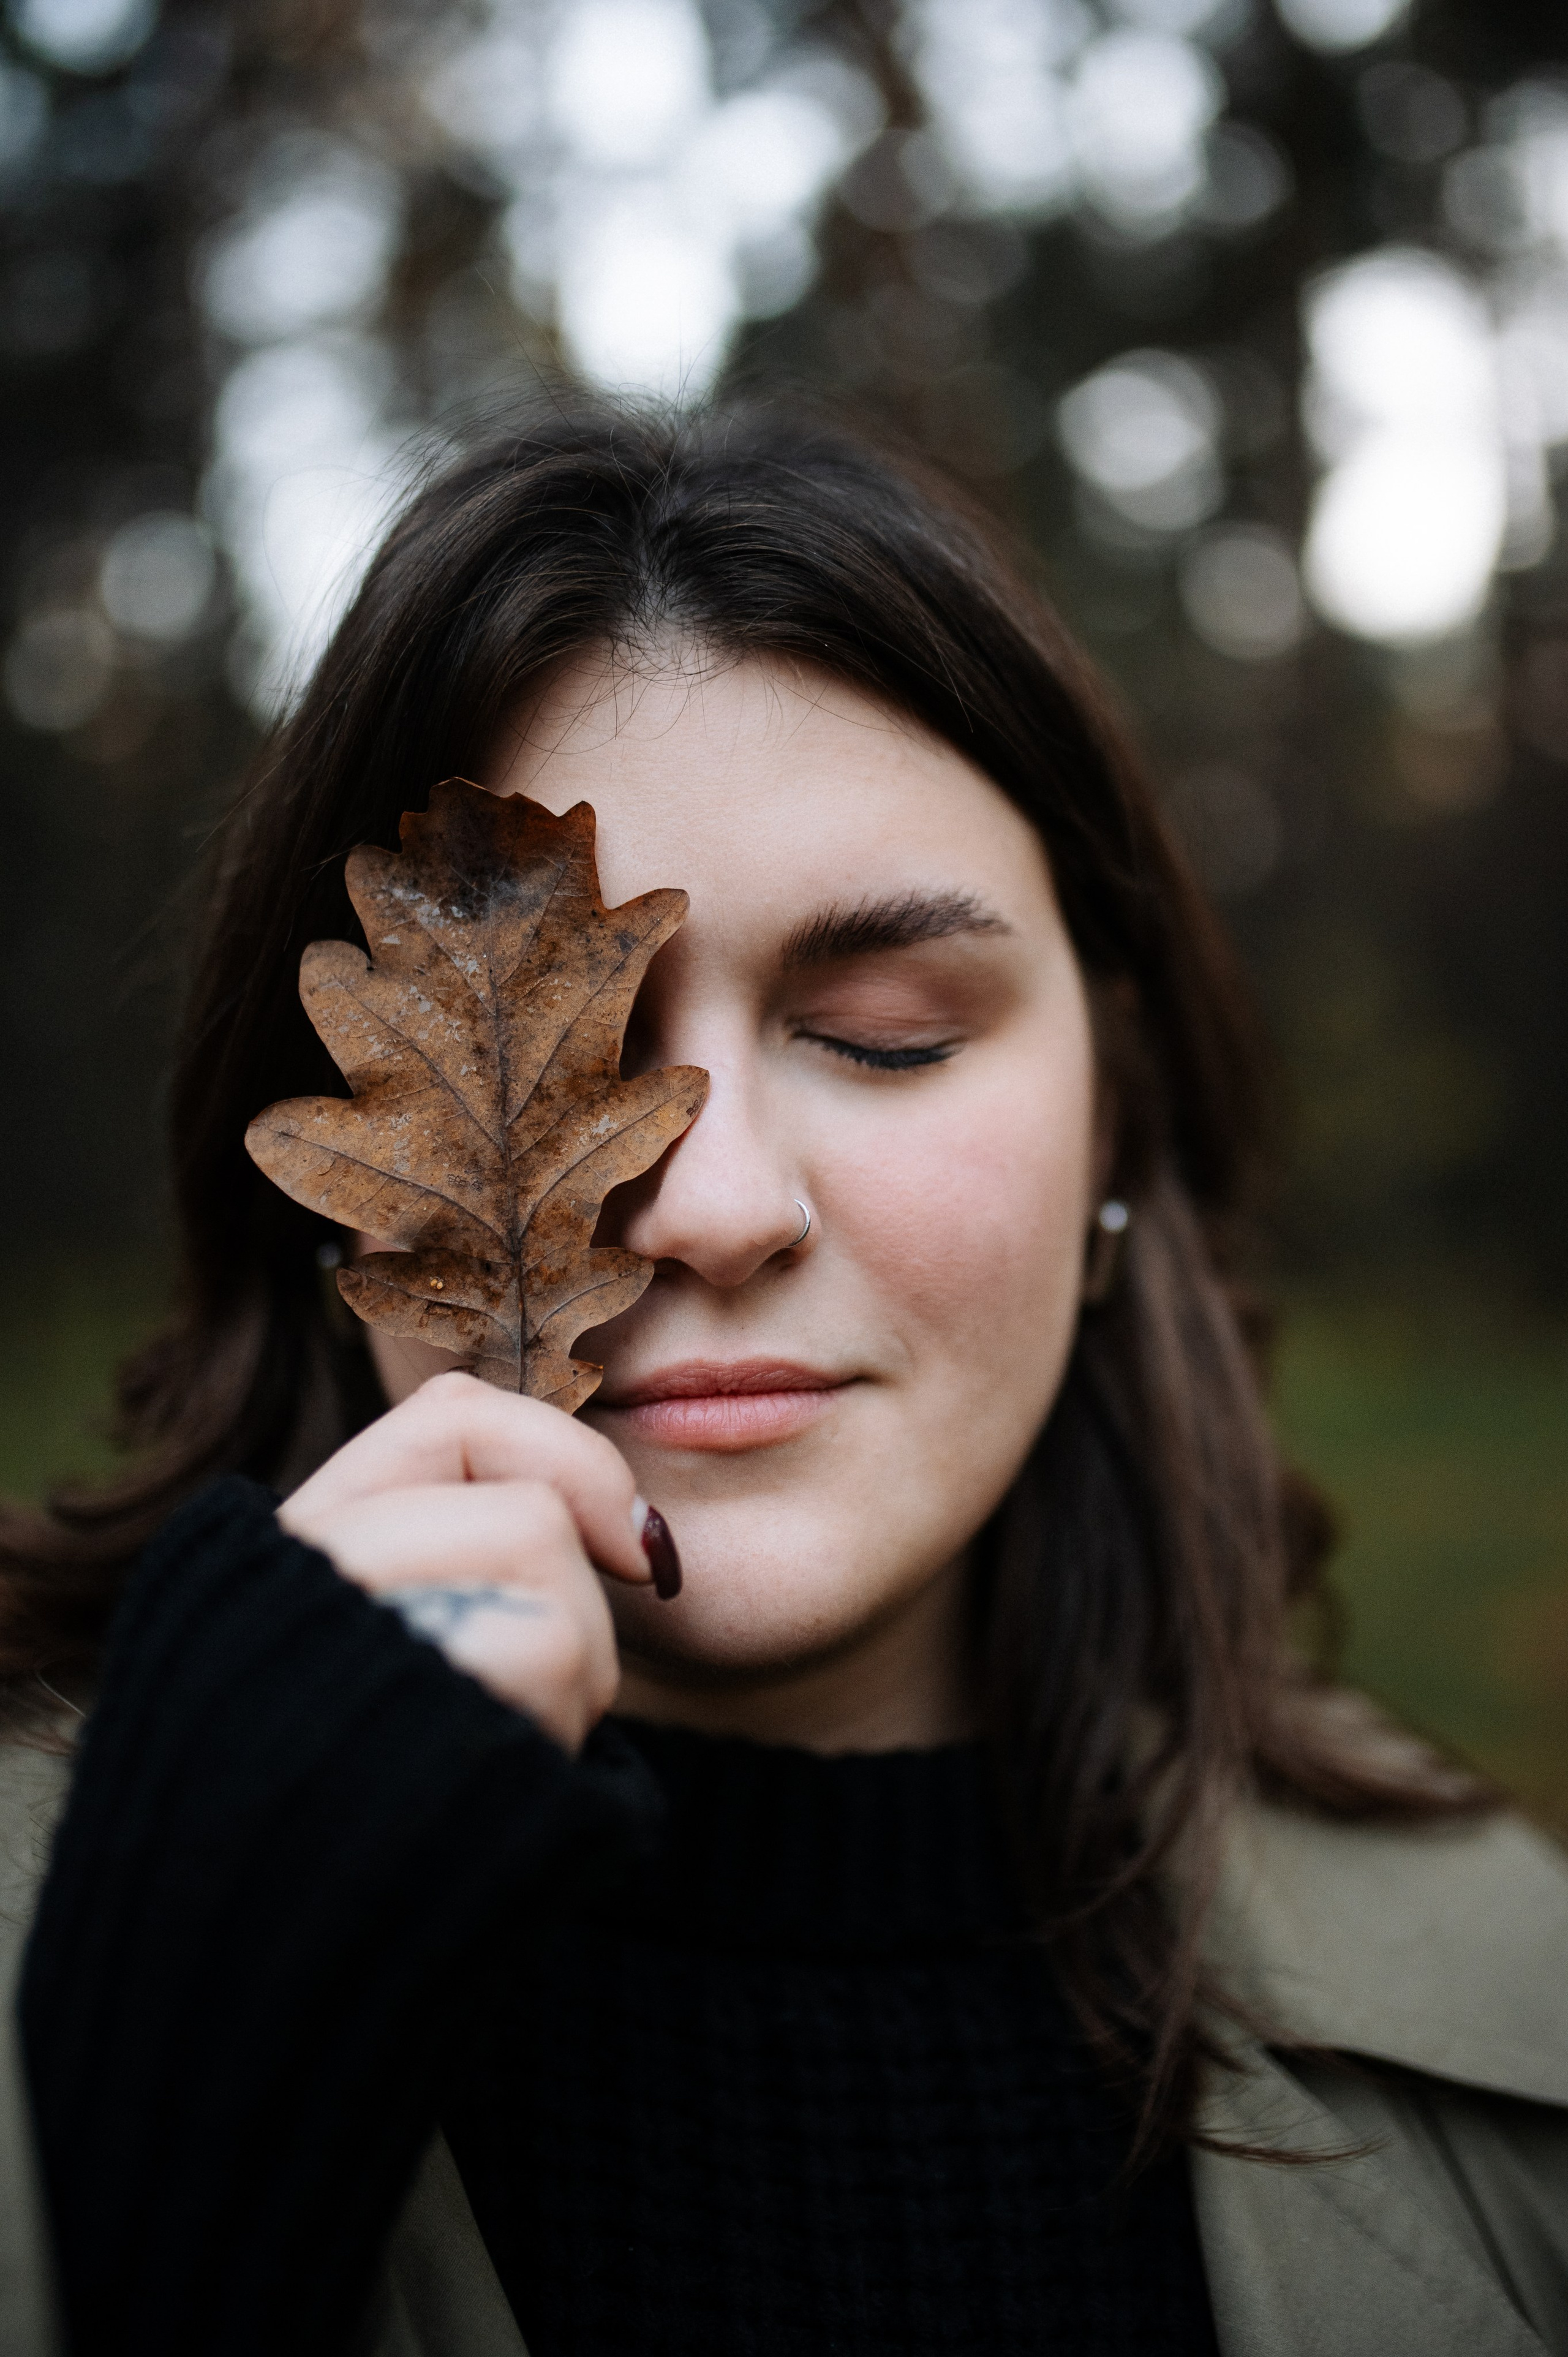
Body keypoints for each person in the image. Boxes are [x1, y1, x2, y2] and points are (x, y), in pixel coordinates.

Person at [1, 402, 1564, 2357]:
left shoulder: (1525, 2010)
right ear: (318, 1171)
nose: (714, 1205)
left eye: (892, 1037)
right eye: (578, 1065)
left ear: (1115, 1125)